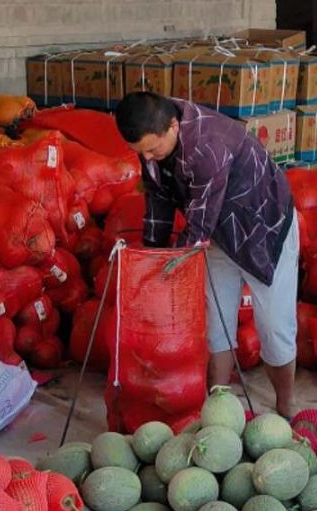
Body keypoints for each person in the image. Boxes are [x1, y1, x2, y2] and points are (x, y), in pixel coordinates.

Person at [116, 91, 300, 416]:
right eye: (140, 152)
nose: (148, 158)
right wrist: (152, 257)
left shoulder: (207, 144)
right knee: (215, 322)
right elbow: (157, 202)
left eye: (153, 149)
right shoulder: (155, 143)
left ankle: (286, 407)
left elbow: (199, 222)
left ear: (173, 127)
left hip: (263, 227)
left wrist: (166, 270)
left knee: (273, 325)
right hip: (218, 232)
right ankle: (219, 406)